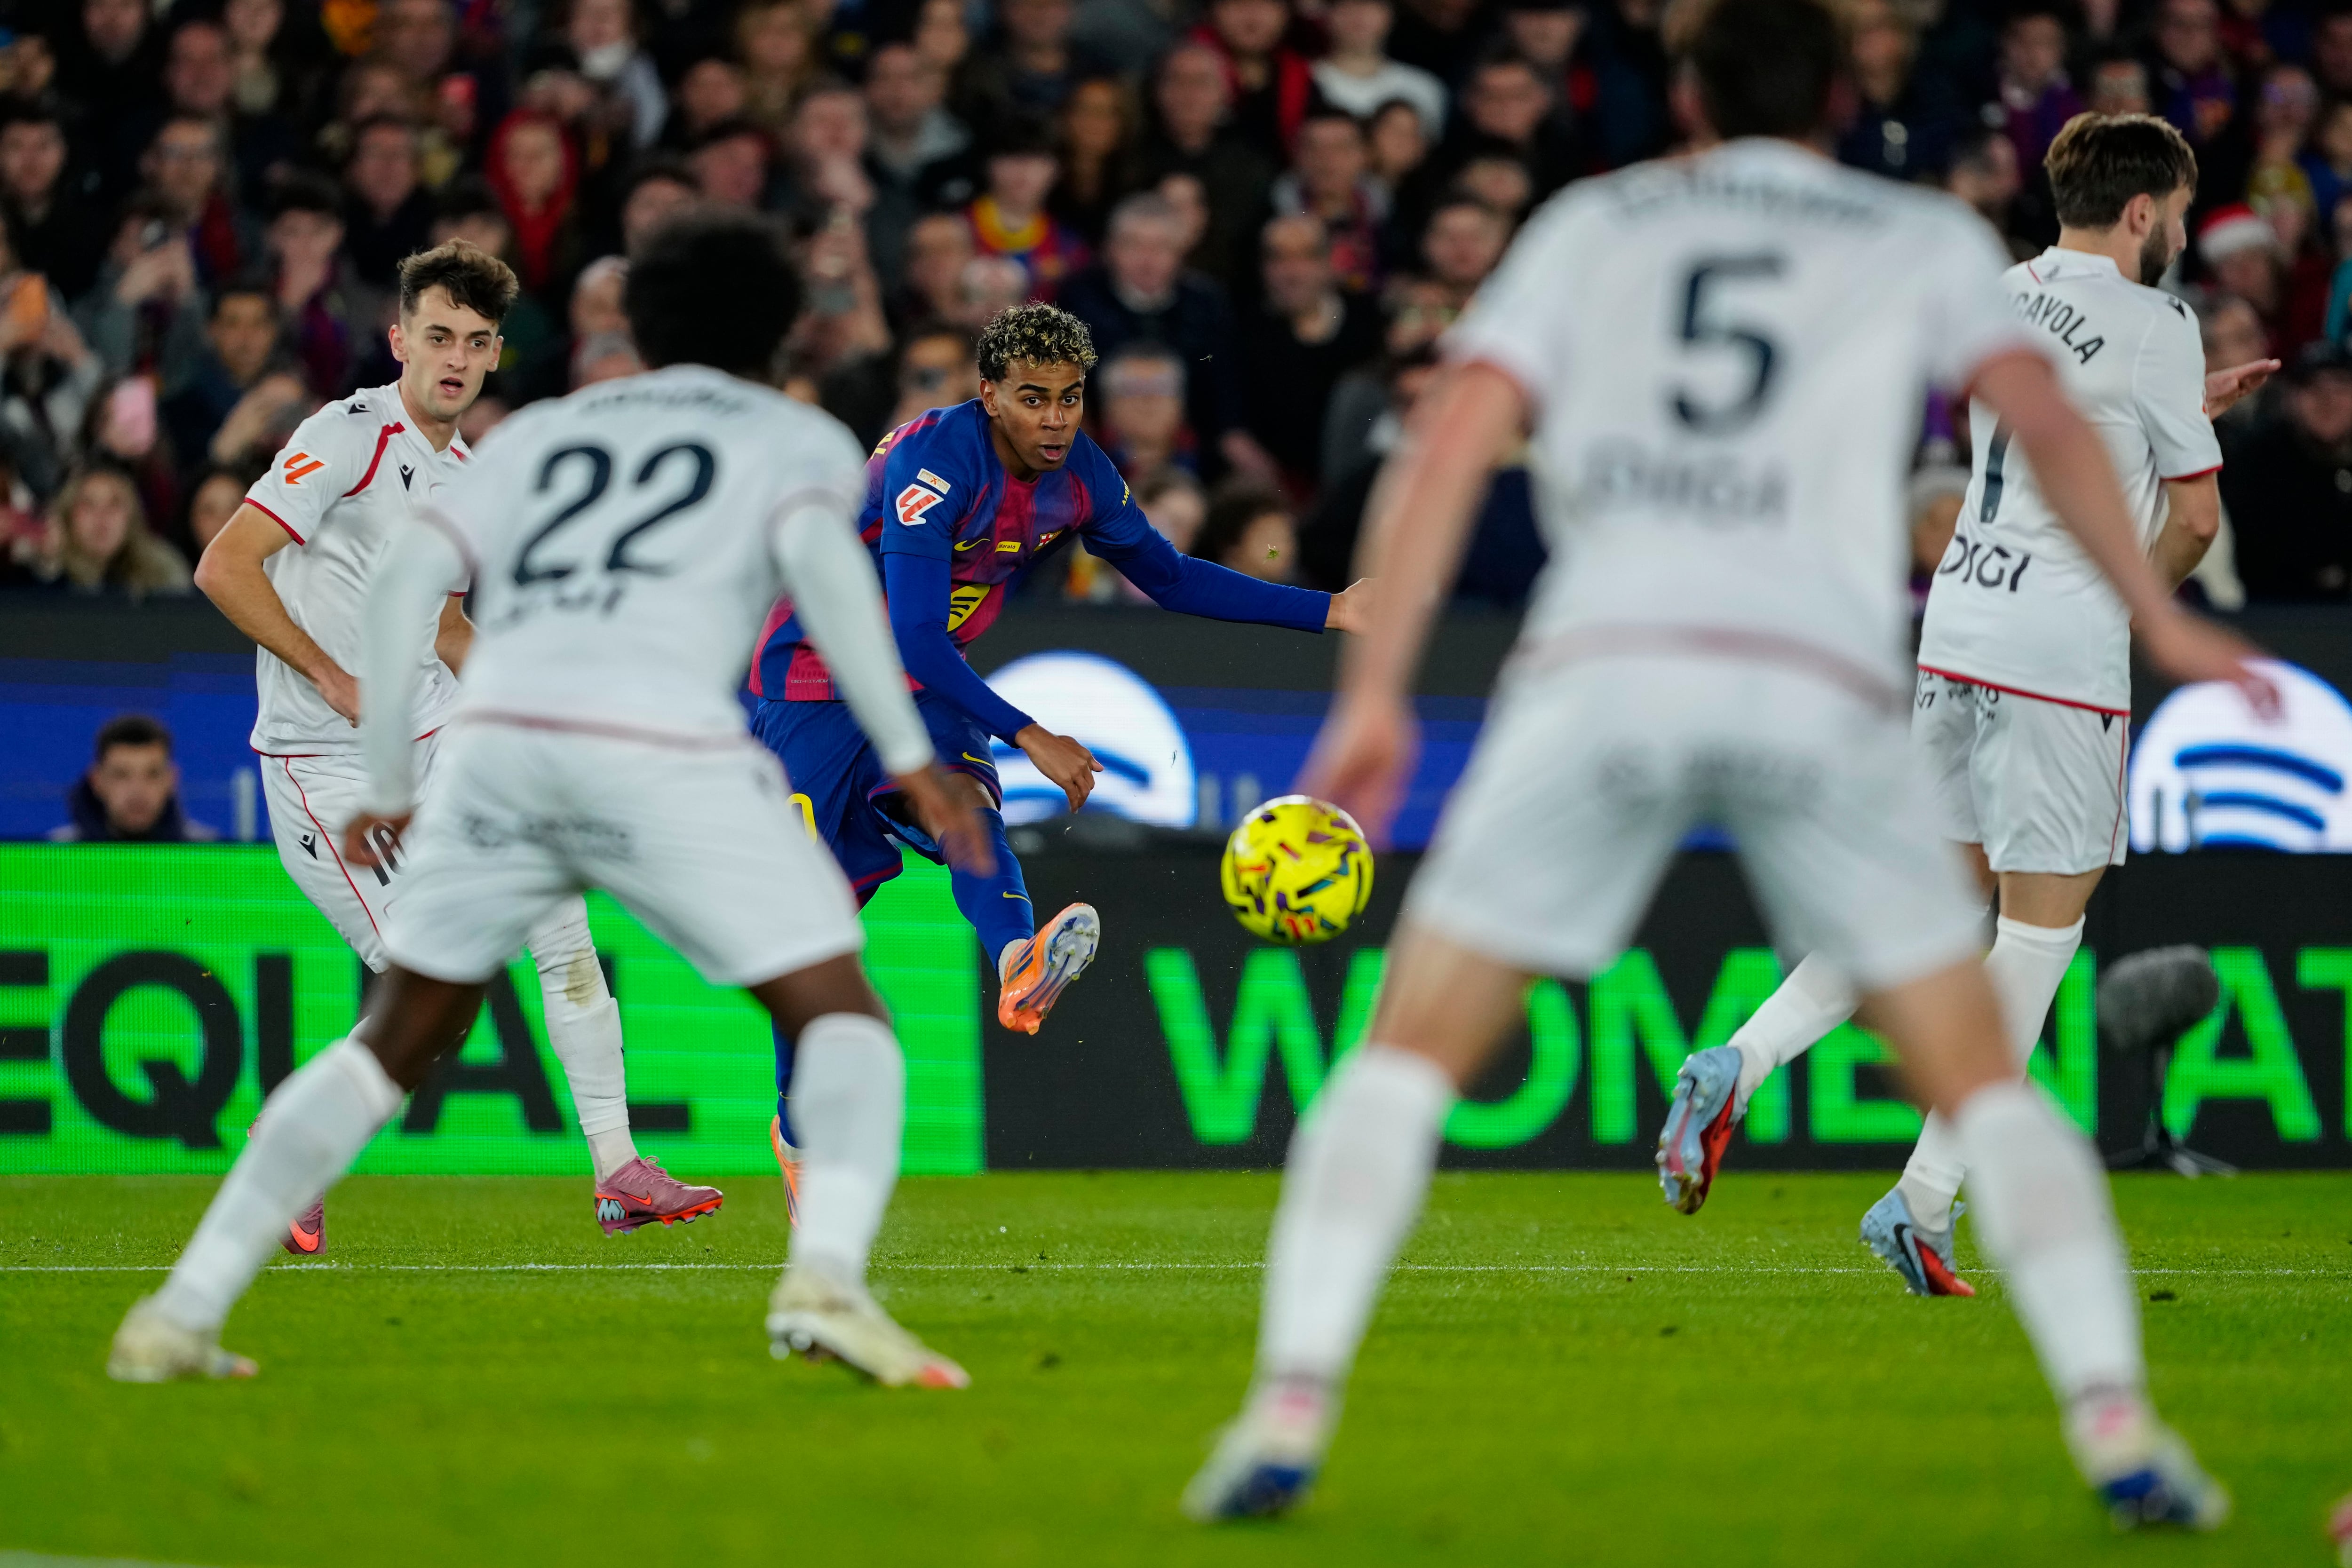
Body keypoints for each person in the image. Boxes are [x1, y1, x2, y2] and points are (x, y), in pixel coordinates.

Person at [1184, 2, 2265, 1527]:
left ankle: (1286, 1406)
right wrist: (2159, 608)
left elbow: (1448, 438)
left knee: (1406, 1054)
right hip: (1811, 677)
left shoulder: (1590, 220)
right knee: (1988, 1053)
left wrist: (1373, 690)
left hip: (1610, 662)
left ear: (1686, 95)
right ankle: (2119, 1431)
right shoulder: (1916, 238)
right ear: (1836, 97)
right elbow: (2051, 430)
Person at [109, 209, 988, 1391]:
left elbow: (416, 589)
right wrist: (910, 754)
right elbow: (833, 583)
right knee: (846, 1019)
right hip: (655, 740)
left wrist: (386, 769)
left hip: (498, 747)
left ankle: (183, 1309)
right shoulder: (801, 438)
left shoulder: (535, 440)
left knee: (400, 1033)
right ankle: (826, 1283)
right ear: (778, 332)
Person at [1656, 107, 2281, 1293]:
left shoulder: (2005, 291)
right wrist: (2132, 605)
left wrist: (2190, 405)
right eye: (2181, 214)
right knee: (2039, 935)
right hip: (2056, 649)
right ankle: (1923, 1199)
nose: (2182, 235)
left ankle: (1738, 1060)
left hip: (1957, 626)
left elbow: (2062, 411)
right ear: (2144, 210)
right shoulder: (2154, 322)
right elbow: (2193, 520)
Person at [746, 301, 1368, 1198]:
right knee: (815, 928)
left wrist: (1333, 608)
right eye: (1033, 398)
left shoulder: (1082, 475)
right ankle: (802, 1140)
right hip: (813, 674)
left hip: (918, 680)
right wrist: (1030, 732)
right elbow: (918, 634)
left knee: (966, 801)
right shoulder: (932, 462)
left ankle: (1016, 962)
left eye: (1071, 398)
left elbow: (1172, 575)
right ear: (990, 394)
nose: (1055, 418)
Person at [190, 240, 717, 1254]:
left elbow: (446, 629)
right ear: (400, 340)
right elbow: (225, 566)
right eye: (438, 336)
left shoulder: (472, 475)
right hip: (326, 764)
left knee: (562, 924)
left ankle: (618, 1169)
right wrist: (332, 674)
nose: (456, 359)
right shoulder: (346, 436)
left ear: (493, 359)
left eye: (477, 343)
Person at [49, 713, 218, 843]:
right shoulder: (55, 858)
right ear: (97, 781)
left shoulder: (210, 858)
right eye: (122, 775)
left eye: (153, 775)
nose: (138, 791)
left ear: (171, 779)